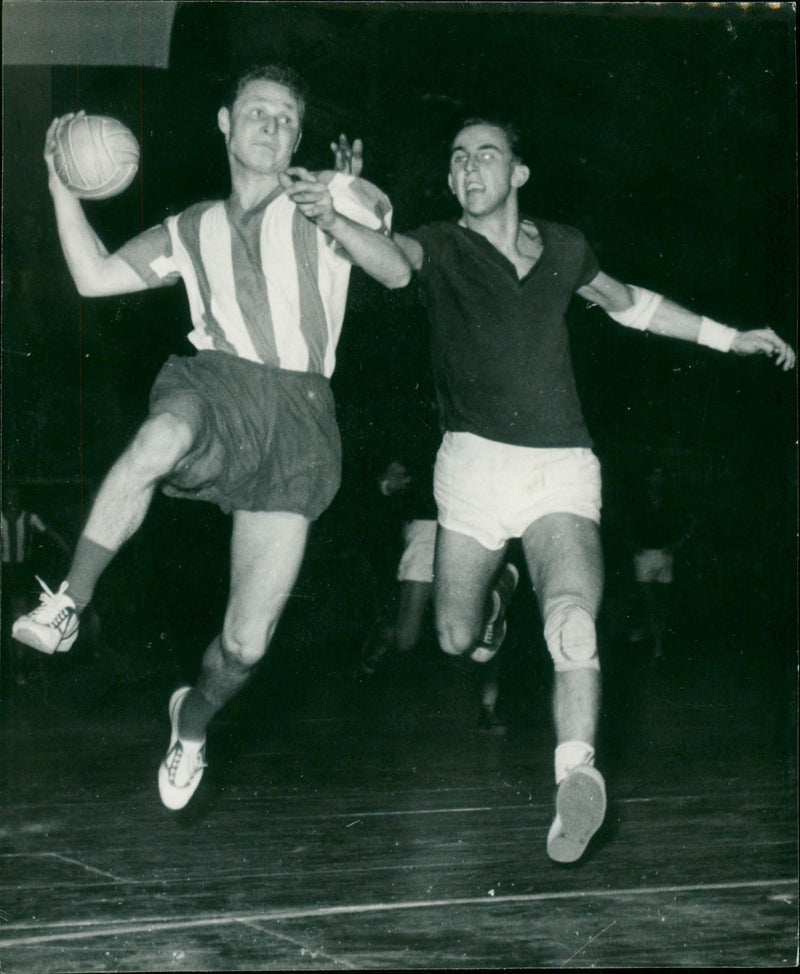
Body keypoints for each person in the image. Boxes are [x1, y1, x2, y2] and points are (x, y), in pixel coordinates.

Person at [383, 117, 795, 863]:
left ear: (519, 173)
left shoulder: (566, 247)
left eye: (488, 156)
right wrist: (342, 215)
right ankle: (498, 598)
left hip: (559, 466)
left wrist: (727, 336)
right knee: (456, 636)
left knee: (573, 622)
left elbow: (630, 301)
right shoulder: (439, 244)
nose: (472, 168)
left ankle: (574, 777)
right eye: (458, 160)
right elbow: (387, 259)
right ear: (450, 182)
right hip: (472, 469)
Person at [12, 64, 411, 811]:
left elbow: (393, 273)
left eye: (287, 118)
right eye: (257, 112)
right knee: (162, 435)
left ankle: (191, 719)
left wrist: (336, 214)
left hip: (298, 418)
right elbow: (96, 278)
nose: (272, 126)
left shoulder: (332, 195)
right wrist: (63, 188)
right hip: (217, 387)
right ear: (226, 124)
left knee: (245, 646)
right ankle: (69, 601)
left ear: (300, 134)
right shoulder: (190, 227)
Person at [2, 486, 71, 685]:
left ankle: (19, 669)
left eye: (15, 495)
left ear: (19, 497)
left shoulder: (29, 518)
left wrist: (66, 548)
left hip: (20, 574)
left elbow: (51, 534)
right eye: (8, 496)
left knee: (20, 616)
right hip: (3, 570)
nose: (11, 500)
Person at [627, 465, 695, 662]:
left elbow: (690, 522)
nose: (657, 480)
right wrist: (632, 545)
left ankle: (658, 646)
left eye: (660, 476)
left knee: (663, 603)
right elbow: (625, 524)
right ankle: (652, 639)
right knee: (649, 602)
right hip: (644, 555)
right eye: (653, 475)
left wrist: (678, 544)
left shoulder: (671, 502)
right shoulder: (638, 501)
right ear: (647, 478)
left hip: (665, 555)